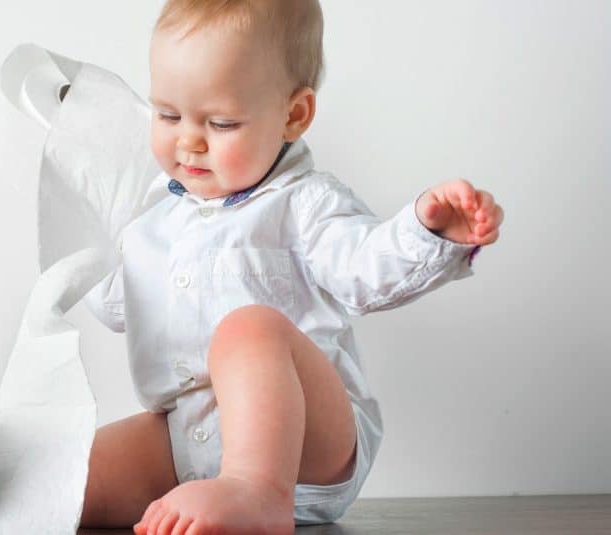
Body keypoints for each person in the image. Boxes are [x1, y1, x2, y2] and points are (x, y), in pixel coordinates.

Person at [78, 1, 505, 534]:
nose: (188, 140)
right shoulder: (153, 217)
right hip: (188, 439)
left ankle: (257, 492)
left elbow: (364, 269)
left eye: (220, 122)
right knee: (63, 481)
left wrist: (428, 231)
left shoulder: (306, 204)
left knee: (247, 329)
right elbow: (120, 303)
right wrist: (82, 238)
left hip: (310, 448)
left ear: (293, 115)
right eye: (167, 115)